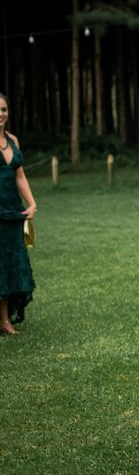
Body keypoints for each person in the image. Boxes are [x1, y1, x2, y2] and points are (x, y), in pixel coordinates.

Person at [0, 92, 37, 335]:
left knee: (12, 263)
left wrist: (32, 203)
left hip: (13, 211)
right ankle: (3, 320)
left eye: (3, 109)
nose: (0, 114)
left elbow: (19, 175)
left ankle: (4, 318)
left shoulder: (12, 139)